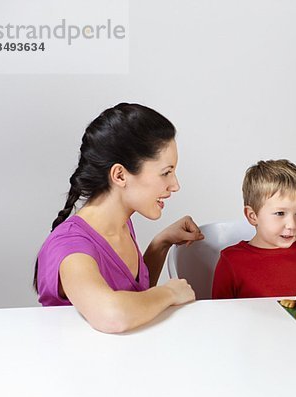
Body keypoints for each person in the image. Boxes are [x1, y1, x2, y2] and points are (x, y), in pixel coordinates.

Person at [34, 103, 205, 333]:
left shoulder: (122, 225)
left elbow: (136, 300)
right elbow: (112, 315)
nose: (175, 185)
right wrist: (169, 292)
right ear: (120, 175)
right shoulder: (69, 248)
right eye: (166, 173)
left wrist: (161, 243)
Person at [212, 159, 296, 299]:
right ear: (252, 216)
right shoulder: (231, 261)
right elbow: (218, 314)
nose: (292, 224)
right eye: (280, 213)